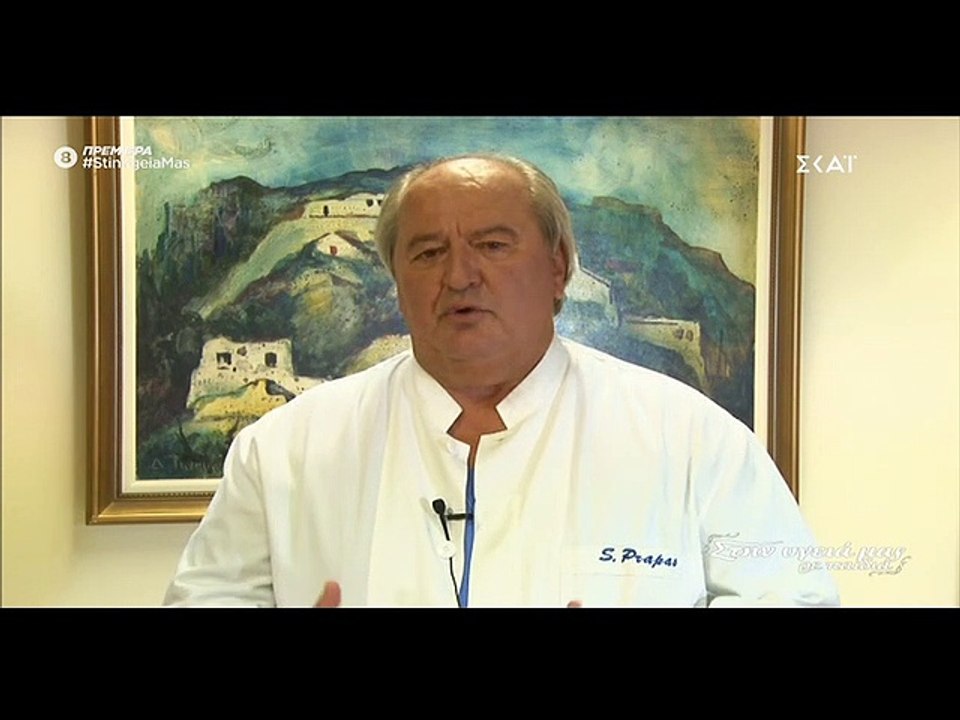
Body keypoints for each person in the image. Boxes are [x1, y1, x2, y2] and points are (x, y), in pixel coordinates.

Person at [164, 153, 840, 607]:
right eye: (428, 252)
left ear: (558, 268)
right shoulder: (282, 451)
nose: (460, 276)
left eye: (492, 245)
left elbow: (792, 597)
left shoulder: (693, 441)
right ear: (397, 281)